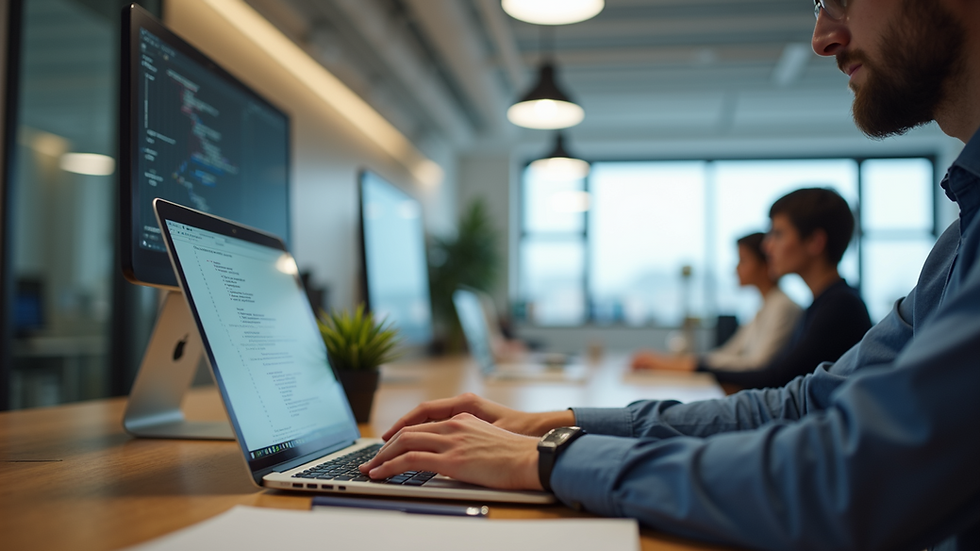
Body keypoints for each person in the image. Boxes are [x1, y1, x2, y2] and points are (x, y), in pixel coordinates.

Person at [360, 1, 980, 549]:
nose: (821, 36)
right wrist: (555, 424)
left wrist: (551, 457)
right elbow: (797, 406)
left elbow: (844, 480)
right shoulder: (957, 243)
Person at [634, 189, 873, 390]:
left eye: (778, 234)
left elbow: (776, 378)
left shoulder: (840, 306)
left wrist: (687, 367)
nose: (767, 247)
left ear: (814, 242)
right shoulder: (824, 303)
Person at [631, 232, 803, 374]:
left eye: (743, 260)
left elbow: (756, 365)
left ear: (765, 265)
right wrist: (671, 363)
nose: (736, 268)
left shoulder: (783, 306)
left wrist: (671, 364)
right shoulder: (764, 306)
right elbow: (728, 353)